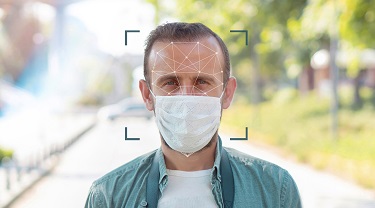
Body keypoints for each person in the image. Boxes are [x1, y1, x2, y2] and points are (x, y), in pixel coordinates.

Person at [85, 22, 302, 208]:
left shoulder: (275, 190)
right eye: (170, 82)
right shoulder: (108, 196)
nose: (186, 98)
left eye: (202, 82)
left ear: (227, 93)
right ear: (147, 95)